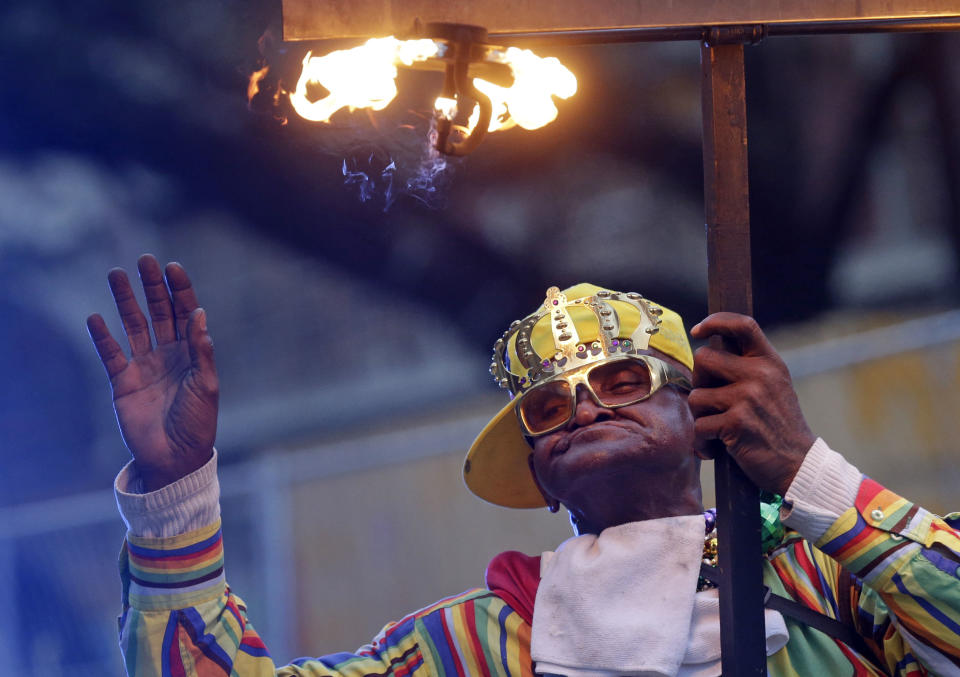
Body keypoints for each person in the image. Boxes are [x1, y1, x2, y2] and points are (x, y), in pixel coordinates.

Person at [88, 254, 960, 677]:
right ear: (541, 478)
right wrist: (176, 489)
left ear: (699, 422)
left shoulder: (824, 576)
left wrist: (807, 471)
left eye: (622, 380)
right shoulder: (475, 642)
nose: (584, 406)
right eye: (549, 407)